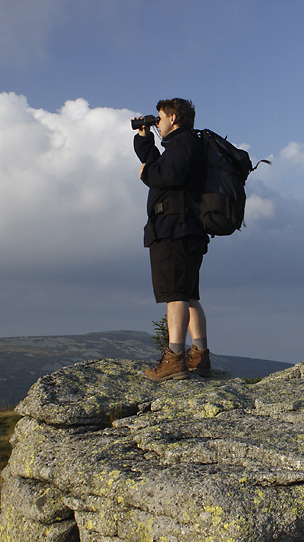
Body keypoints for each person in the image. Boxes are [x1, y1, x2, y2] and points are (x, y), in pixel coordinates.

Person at [134, 98, 211, 380]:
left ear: (173, 118)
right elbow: (163, 167)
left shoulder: (183, 144)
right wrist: (144, 143)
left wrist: (146, 174)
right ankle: (199, 356)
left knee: (175, 296)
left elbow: (168, 174)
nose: (158, 123)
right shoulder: (185, 144)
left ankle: (174, 359)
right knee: (189, 295)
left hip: (173, 230)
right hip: (186, 229)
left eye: (160, 118)